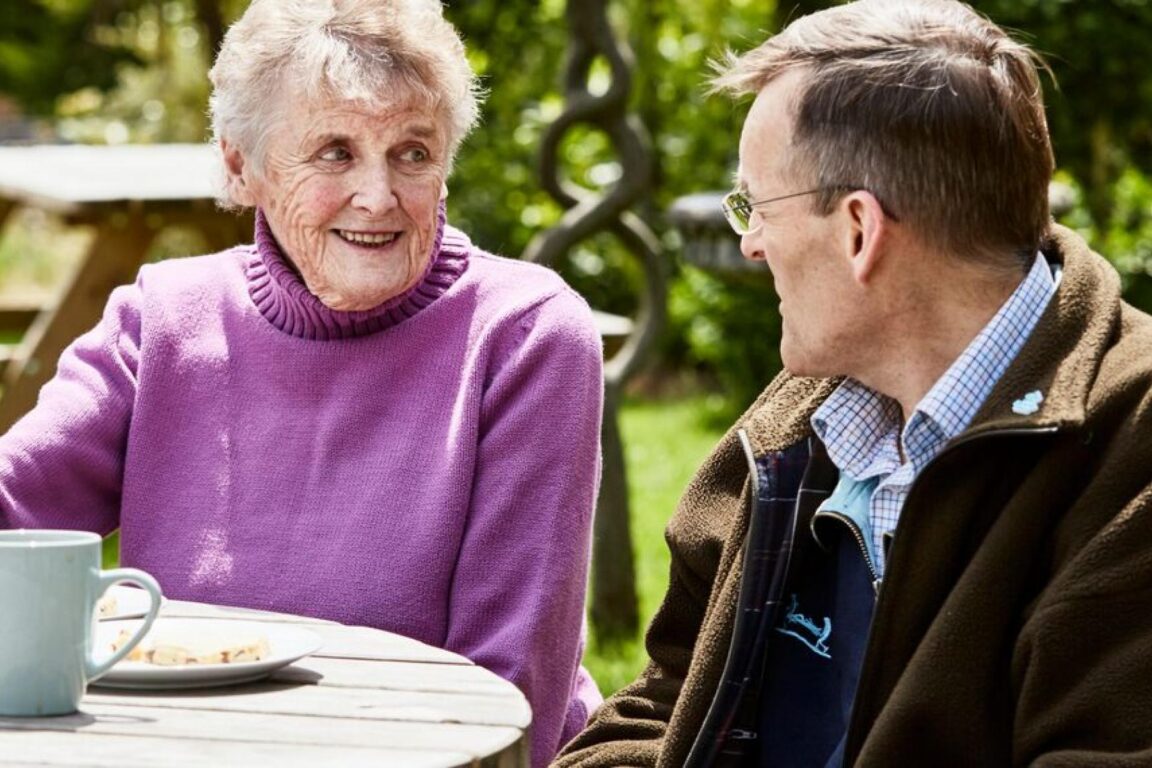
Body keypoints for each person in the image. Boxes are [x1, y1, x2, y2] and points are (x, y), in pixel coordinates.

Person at [0, 1, 604, 764]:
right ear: (237, 165)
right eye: (334, 152)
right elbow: (12, 505)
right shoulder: (163, 322)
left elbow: (511, 689)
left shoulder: (525, 335)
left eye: (413, 153)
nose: (379, 195)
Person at [555, 1, 1152, 766]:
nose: (749, 243)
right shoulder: (807, 414)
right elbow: (672, 698)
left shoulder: (1129, 458)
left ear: (859, 231)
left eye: (757, 205)